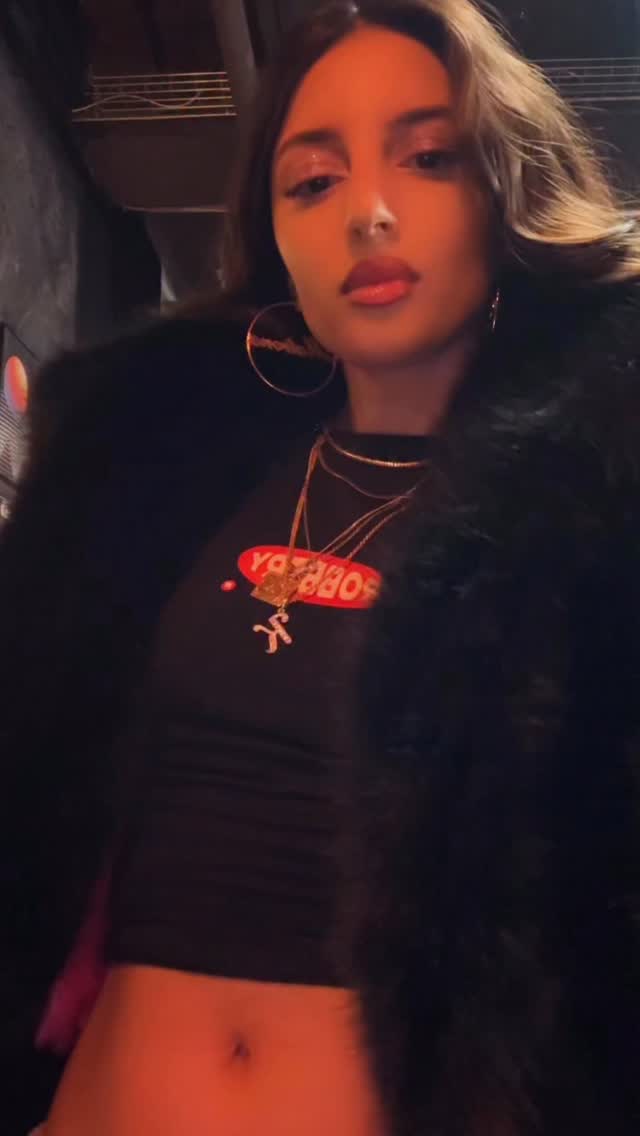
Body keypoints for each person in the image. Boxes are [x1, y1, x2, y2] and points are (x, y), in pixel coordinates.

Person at [2, 0, 639, 1133]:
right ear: (276, 234)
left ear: (504, 192)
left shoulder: (592, 511)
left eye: (429, 158)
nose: (367, 212)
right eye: (313, 180)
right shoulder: (147, 475)